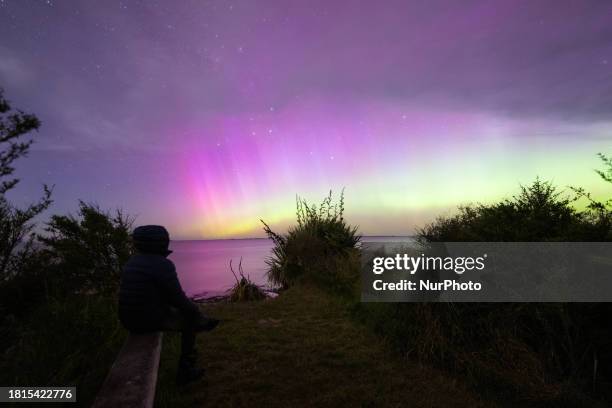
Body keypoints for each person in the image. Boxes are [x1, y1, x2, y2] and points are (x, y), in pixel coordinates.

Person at [118, 225, 220, 385]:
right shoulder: (162, 265)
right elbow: (178, 300)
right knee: (190, 322)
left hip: (127, 319)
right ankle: (185, 371)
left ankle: (202, 321)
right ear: (161, 243)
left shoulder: (131, 262)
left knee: (186, 313)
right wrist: (195, 310)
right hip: (146, 321)